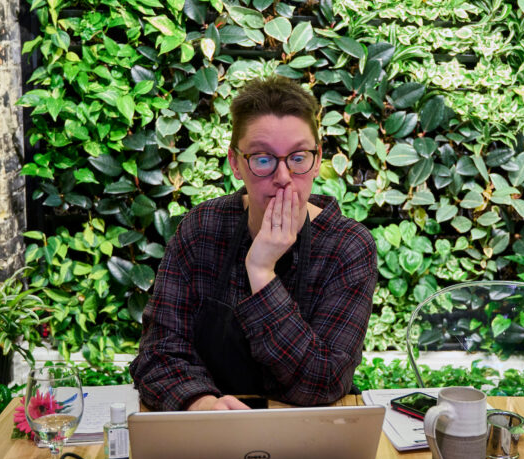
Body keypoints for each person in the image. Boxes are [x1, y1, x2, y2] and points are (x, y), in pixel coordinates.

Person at [130, 76, 377, 410]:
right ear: (235, 163)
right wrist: (201, 403)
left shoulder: (347, 247)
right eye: (263, 159)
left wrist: (261, 270)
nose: (284, 177)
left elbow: (324, 383)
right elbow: (157, 353)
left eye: (298, 157)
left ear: (318, 160)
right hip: (210, 431)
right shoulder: (203, 228)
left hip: (307, 437)